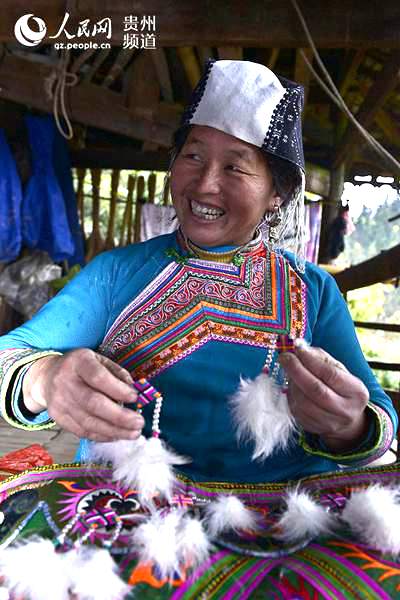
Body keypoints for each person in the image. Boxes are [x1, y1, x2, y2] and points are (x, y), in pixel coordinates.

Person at [0, 59, 396, 484]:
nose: (205, 183)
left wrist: (348, 426)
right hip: (125, 511)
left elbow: (377, 417)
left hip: (280, 521)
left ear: (277, 193)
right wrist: (45, 378)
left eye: (235, 167)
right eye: (192, 156)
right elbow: (8, 356)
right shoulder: (116, 273)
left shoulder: (313, 290)